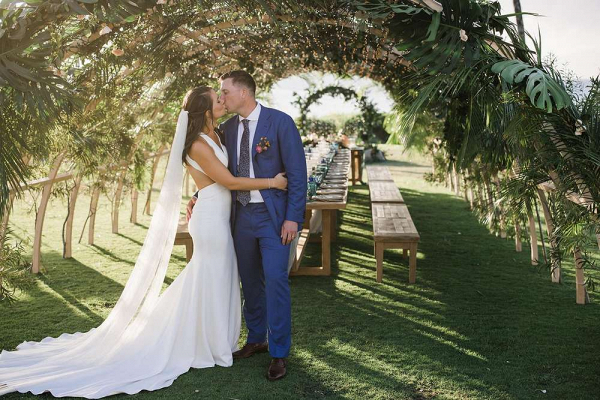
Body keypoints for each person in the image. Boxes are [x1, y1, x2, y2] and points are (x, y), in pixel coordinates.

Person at [0, 86, 288, 398]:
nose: (223, 101)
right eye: (217, 99)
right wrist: (272, 182)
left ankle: (215, 340)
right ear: (204, 110)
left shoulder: (217, 133)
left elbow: (219, 178)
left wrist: (197, 194)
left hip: (219, 214)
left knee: (216, 277)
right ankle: (200, 342)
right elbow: (228, 181)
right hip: (210, 219)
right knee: (210, 275)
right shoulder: (197, 144)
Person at [187, 70, 307, 381]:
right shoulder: (225, 129)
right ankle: (256, 339)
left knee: (276, 280)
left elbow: (297, 174)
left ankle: (279, 353)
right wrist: (197, 194)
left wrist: (293, 217)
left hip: (273, 218)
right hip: (239, 217)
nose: (222, 98)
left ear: (244, 93)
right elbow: (214, 169)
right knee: (249, 281)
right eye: (220, 94)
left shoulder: (280, 123)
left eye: (225, 92)